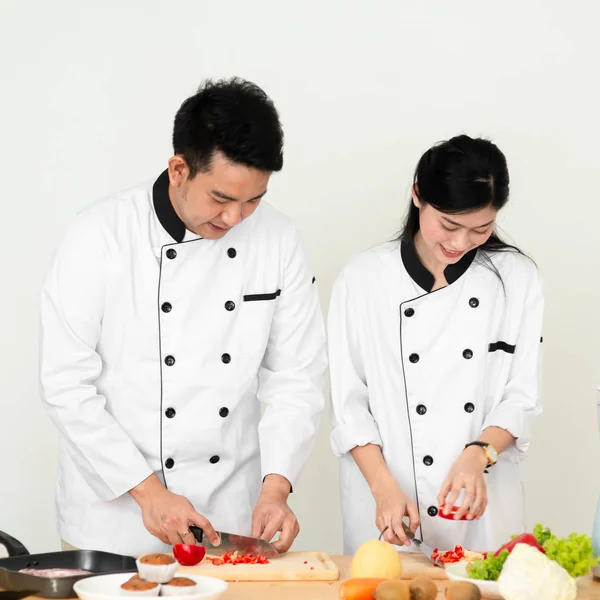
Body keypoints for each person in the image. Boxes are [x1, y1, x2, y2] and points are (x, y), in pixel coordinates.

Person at [39, 78, 327, 556]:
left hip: (227, 515)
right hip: (114, 517)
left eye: (253, 199)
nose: (236, 218)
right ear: (178, 169)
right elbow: (66, 385)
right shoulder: (98, 237)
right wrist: (148, 493)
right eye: (220, 198)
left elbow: (297, 376)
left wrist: (276, 488)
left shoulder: (278, 239)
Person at [328, 134, 544, 554]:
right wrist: (383, 488)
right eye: (448, 225)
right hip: (387, 506)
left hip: (482, 504)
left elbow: (521, 396)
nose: (460, 243)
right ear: (417, 196)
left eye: (481, 229)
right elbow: (349, 405)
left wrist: (477, 455)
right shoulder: (363, 279)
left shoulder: (517, 278)